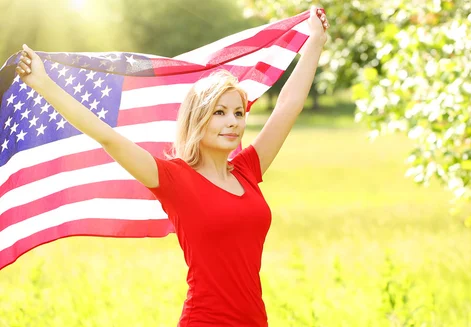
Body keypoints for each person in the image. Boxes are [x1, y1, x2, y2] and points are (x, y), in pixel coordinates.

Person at [16, 6, 330, 327]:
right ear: (198, 119)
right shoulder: (174, 179)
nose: (232, 122)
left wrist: (315, 41)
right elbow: (107, 137)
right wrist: (43, 84)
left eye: (238, 113)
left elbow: (288, 106)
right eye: (219, 112)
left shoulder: (248, 169)